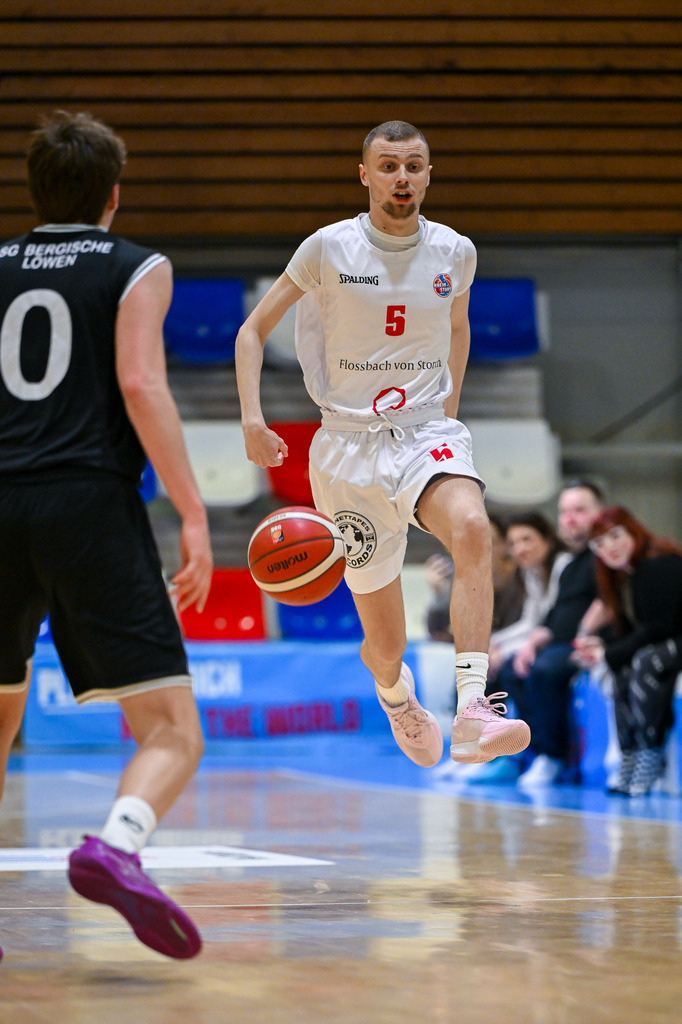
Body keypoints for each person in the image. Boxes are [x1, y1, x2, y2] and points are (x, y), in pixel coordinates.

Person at [236, 119, 530, 771]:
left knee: (475, 528)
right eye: (390, 166)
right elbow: (252, 332)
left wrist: (446, 419)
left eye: (415, 166)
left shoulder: (455, 251)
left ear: (429, 174)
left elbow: (458, 330)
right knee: (385, 643)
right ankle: (397, 698)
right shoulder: (327, 248)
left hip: (425, 432)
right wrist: (253, 419)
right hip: (347, 450)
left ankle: (474, 710)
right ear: (365, 175)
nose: (403, 177)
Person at [0, 111, 213, 959]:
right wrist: (193, 513)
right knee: (170, 729)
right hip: (86, 503)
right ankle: (115, 847)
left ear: (33, 192)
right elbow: (138, 381)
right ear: (114, 196)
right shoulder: (136, 266)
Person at [496, 479, 604, 788]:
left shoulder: (602, 558)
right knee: (513, 669)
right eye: (565, 512)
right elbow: (553, 615)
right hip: (560, 640)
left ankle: (553, 755)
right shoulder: (573, 565)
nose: (571, 519)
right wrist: (533, 641)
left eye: (580, 511)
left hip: (584, 643)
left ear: (599, 513)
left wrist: (582, 635)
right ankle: (529, 751)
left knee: (544, 670)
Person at [572, 507, 682, 796]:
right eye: (599, 543)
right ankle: (631, 751)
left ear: (633, 531)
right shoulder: (625, 576)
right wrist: (605, 650)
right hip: (666, 639)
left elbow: (661, 627)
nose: (609, 547)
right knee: (622, 669)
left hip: (673, 638)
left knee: (643, 661)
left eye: (615, 536)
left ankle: (650, 749)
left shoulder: (660, 564)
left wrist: (609, 653)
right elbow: (635, 630)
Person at [424, 514, 525, 643]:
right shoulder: (460, 578)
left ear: (505, 545)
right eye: (472, 545)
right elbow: (436, 633)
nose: (481, 551)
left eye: (489, 543)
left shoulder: (522, 577)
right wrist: (438, 593)